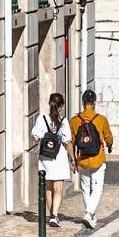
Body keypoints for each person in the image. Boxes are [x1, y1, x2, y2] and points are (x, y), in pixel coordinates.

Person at [70, 89, 114, 229]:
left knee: (85, 187)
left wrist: (72, 160)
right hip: (97, 158)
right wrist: (110, 145)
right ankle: (89, 213)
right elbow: (108, 137)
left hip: (82, 158)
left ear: (83, 103)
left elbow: (70, 141)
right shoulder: (101, 119)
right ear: (94, 103)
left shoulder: (75, 120)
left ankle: (91, 216)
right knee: (97, 187)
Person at [31, 93, 75, 227]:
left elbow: (36, 137)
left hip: (45, 157)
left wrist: (45, 135)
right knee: (58, 188)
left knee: (48, 188)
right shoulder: (64, 121)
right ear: (61, 106)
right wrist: (73, 159)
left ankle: (51, 215)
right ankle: (54, 215)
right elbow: (67, 142)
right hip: (59, 157)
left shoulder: (41, 119)